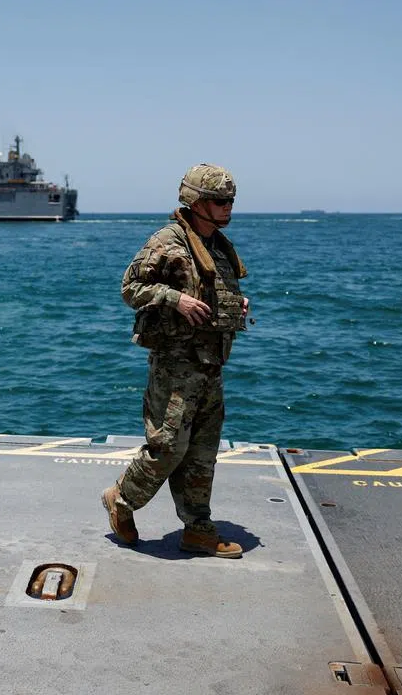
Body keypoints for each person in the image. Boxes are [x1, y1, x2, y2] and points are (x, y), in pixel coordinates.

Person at [101, 163, 249, 558]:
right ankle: (121, 499)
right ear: (196, 202)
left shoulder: (216, 245)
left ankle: (198, 528)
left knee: (203, 450)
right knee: (168, 447)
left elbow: (212, 290)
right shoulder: (168, 242)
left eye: (231, 200)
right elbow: (130, 287)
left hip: (210, 365)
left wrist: (235, 305)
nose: (227, 207)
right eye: (220, 201)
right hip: (175, 365)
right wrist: (174, 299)